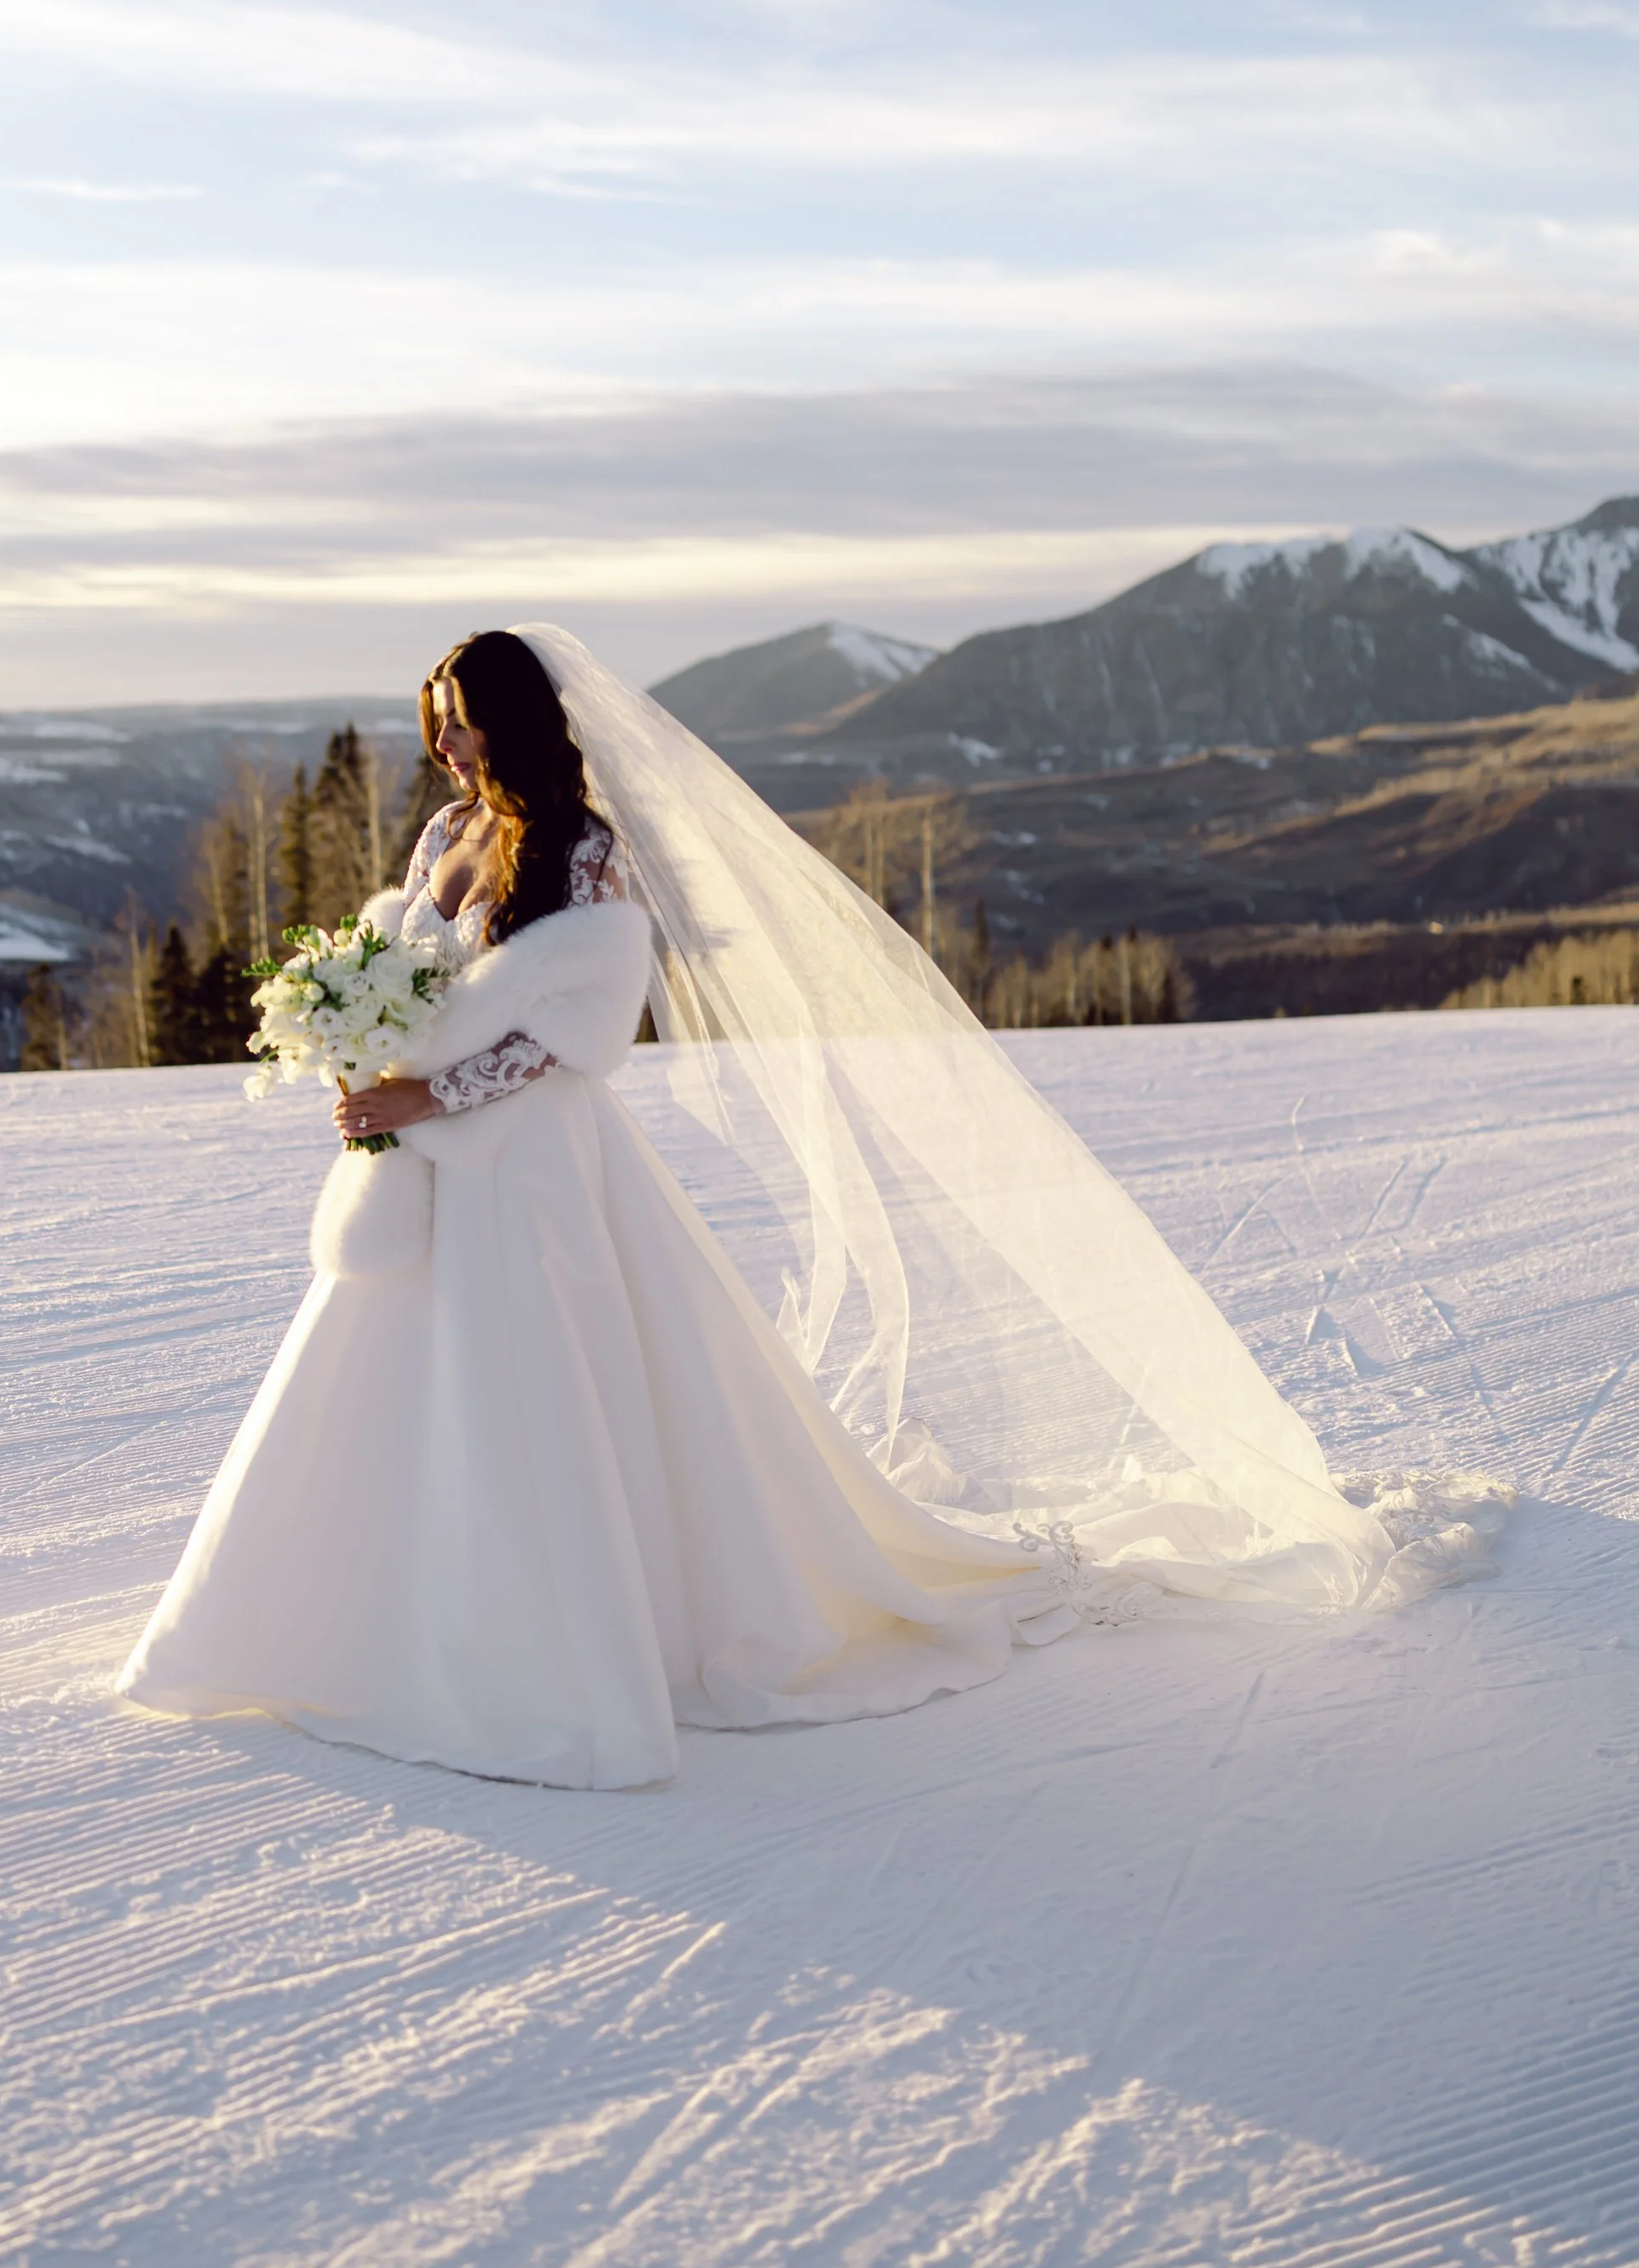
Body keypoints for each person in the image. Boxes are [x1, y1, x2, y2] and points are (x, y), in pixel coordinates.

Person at [118, 628, 1496, 1790]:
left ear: (520, 726)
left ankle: (545, 1652)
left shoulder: (584, 854)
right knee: (389, 1375)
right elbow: (401, 967)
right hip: (425, 1165)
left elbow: (585, 1029)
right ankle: (357, 1617)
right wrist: (357, 1053)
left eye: (468, 729)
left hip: (534, 1164)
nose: (451, 753)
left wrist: (431, 1095)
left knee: (545, 1390)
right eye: (438, 731)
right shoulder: (441, 833)